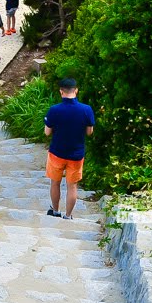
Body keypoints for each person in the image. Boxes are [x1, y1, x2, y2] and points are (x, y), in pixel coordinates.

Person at [43, 78, 95, 220]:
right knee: (72, 186)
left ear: (61, 92)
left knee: (55, 182)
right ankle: (68, 215)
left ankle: (55, 211)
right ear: (76, 91)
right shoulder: (86, 110)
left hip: (57, 152)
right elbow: (89, 132)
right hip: (76, 154)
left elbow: (47, 132)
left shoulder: (54, 110)